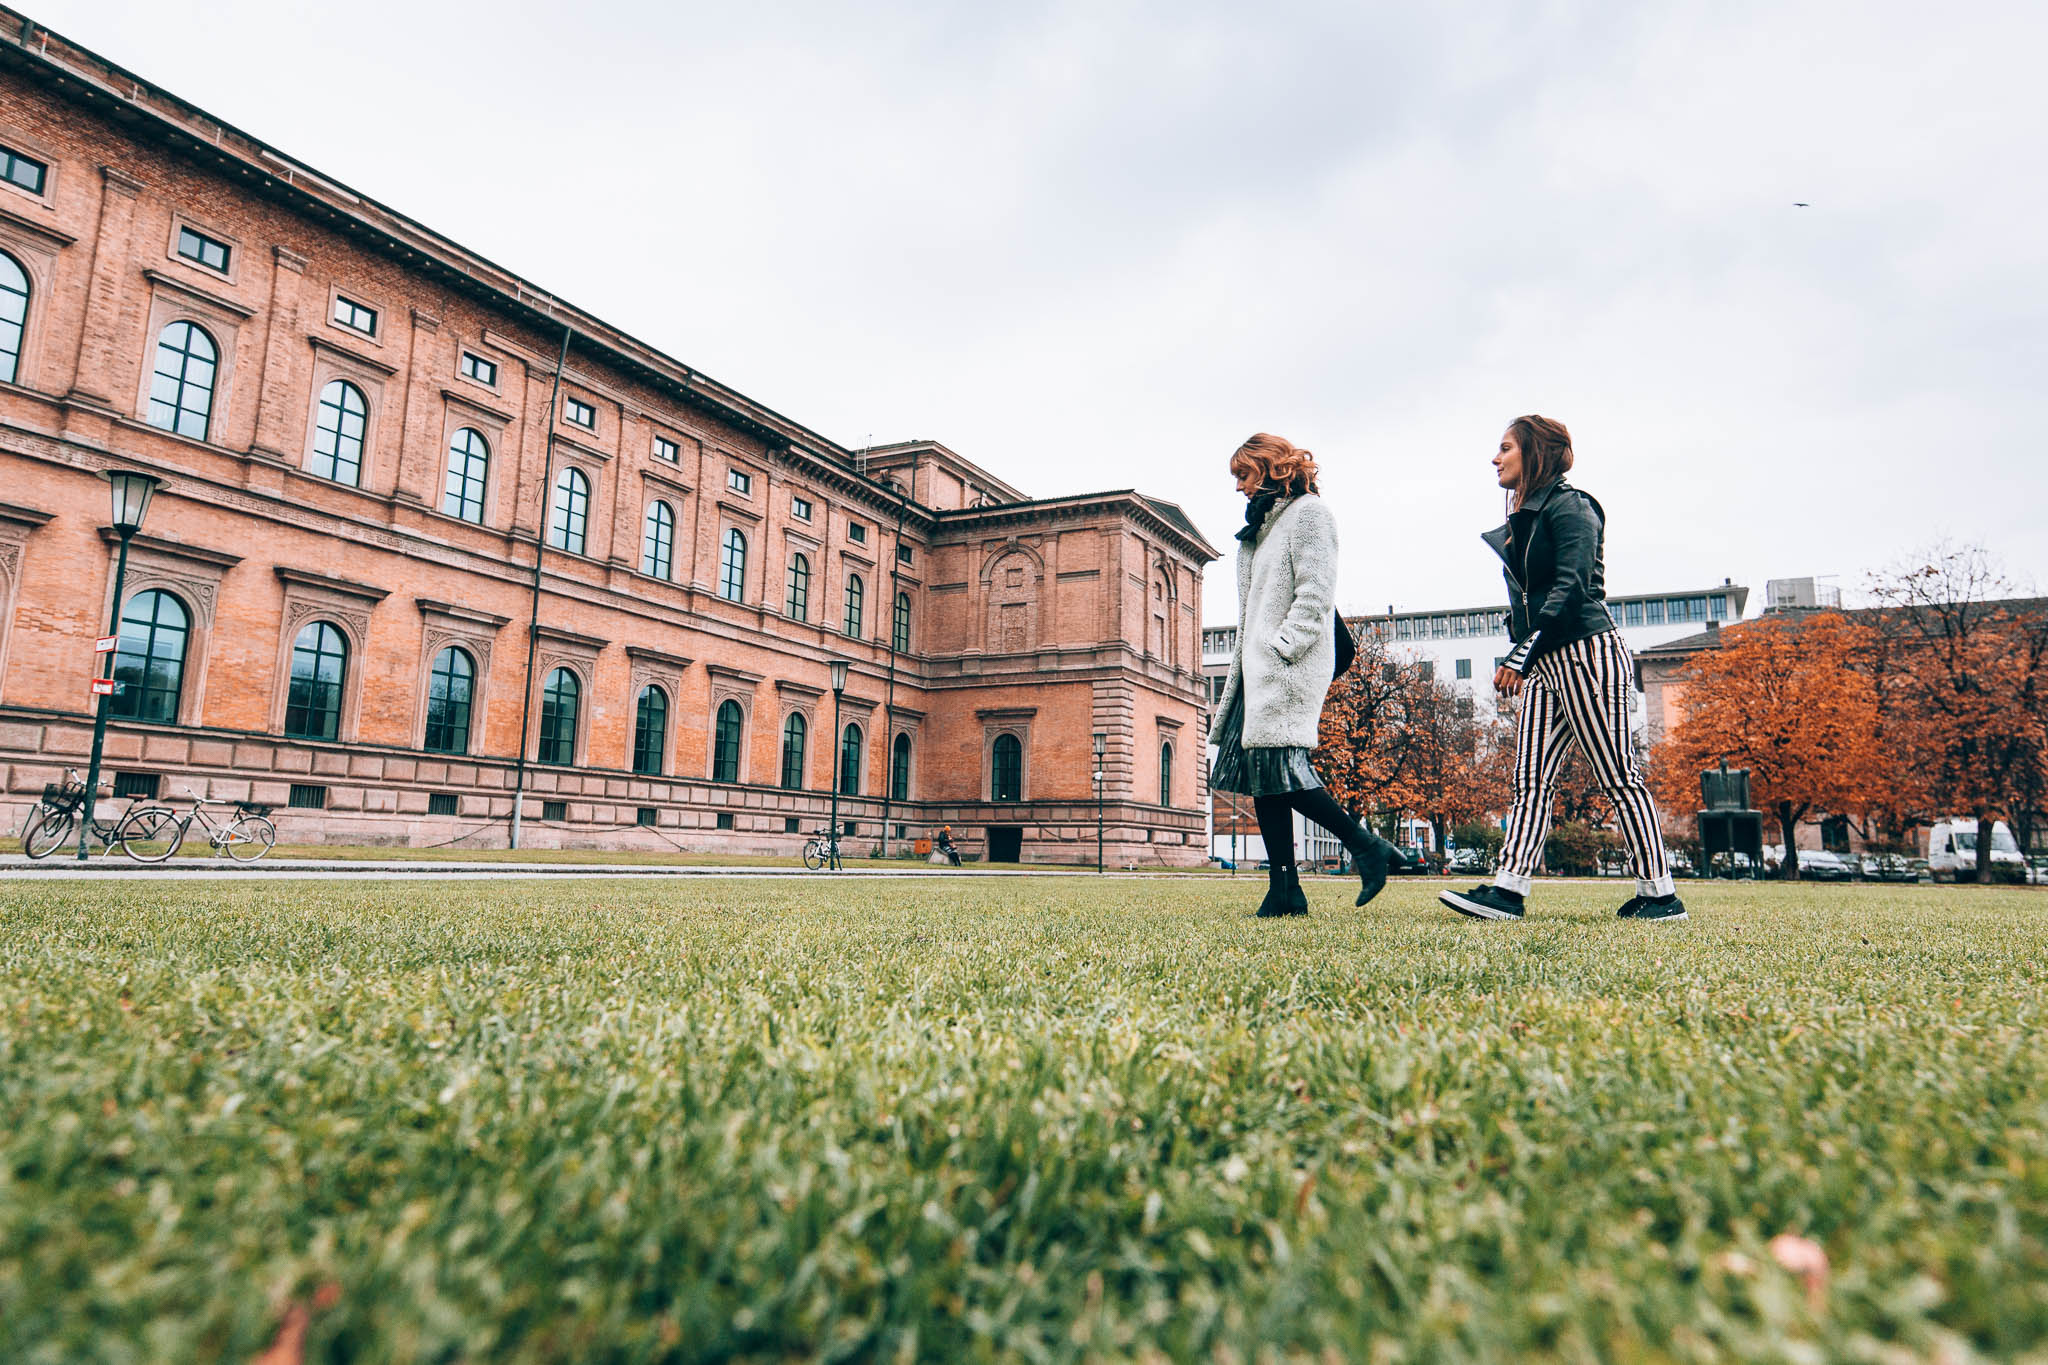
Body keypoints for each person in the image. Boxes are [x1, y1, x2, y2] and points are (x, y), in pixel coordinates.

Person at [1439, 416, 1687, 923]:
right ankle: (1509, 890)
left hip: (1586, 652)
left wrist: (1519, 655)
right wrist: (1527, 652)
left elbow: (1571, 588)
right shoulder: (1525, 519)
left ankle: (1660, 895)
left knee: (1618, 774)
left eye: (1505, 447)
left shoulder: (1573, 507)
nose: (1495, 458)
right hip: (1549, 660)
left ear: (1535, 453)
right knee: (1530, 778)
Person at [1210, 433, 1410, 917]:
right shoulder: (1265, 528)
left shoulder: (1309, 514)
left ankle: (1367, 847)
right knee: (1263, 773)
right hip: (1258, 668)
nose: (1237, 487)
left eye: (1243, 475)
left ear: (1271, 467)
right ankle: (1285, 891)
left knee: (1283, 767)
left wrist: (1283, 648)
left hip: (1285, 665)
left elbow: (1316, 593)